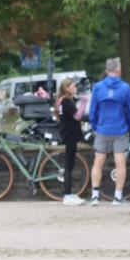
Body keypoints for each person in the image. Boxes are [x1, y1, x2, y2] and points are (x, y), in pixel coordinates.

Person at [88, 57, 130, 206]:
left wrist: (95, 125)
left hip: (102, 129)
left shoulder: (98, 87)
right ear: (119, 70)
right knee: (120, 163)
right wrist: (128, 125)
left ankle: (95, 195)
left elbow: (93, 110)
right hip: (120, 129)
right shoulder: (126, 88)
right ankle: (117, 196)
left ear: (106, 70)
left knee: (98, 162)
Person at [56, 78, 86, 206]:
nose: (75, 88)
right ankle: (67, 195)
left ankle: (69, 193)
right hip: (70, 135)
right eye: (73, 86)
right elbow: (77, 116)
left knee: (70, 165)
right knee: (69, 166)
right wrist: (84, 103)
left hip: (67, 133)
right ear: (67, 88)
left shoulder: (62, 100)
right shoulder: (67, 101)